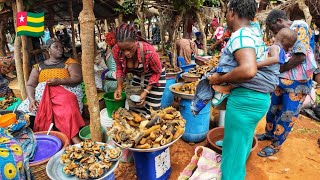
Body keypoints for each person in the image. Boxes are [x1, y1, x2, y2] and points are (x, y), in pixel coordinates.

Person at [207, 0, 278, 179]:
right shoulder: (254, 32)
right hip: (258, 100)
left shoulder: (241, 36)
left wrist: (219, 78)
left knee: (231, 161)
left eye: (226, 13)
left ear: (232, 12)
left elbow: (248, 69)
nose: (225, 17)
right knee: (243, 140)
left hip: (246, 102)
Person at [256, 9, 318, 157]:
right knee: (273, 110)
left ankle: (276, 145)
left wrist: (279, 69)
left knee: (286, 115)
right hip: (281, 82)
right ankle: (269, 134)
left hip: (297, 84)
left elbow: (300, 56)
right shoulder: (286, 34)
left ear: (279, 21)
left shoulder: (300, 26)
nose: (274, 34)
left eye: (273, 29)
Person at [18, 39, 84, 144]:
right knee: (24, 110)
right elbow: (30, 84)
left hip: (65, 94)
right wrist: (31, 99)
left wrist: (59, 81)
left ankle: (71, 135)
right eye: (56, 47)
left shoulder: (69, 62)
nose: (60, 49)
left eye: (61, 47)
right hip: (43, 96)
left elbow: (77, 78)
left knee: (67, 106)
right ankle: (36, 137)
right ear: (48, 49)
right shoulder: (38, 66)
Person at [112, 24, 166, 115]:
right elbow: (119, 69)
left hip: (156, 75)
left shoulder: (148, 51)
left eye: (129, 49)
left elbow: (157, 72)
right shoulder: (116, 50)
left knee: (152, 110)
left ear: (136, 41)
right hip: (139, 75)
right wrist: (119, 87)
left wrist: (146, 91)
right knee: (135, 108)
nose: (126, 53)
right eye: (123, 49)